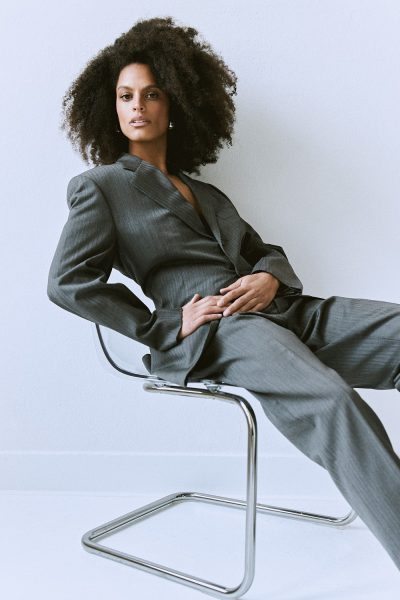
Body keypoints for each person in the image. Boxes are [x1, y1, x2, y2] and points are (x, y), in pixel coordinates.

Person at [47, 16, 400, 570]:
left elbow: (264, 251)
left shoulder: (207, 193)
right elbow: (67, 282)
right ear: (109, 107)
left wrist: (270, 277)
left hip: (286, 311)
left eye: (151, 94)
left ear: (174, 104)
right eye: (125, 96)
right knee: (331, 402)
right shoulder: (102, 187)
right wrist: (164, 326)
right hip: (220, 331)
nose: (137, 106)